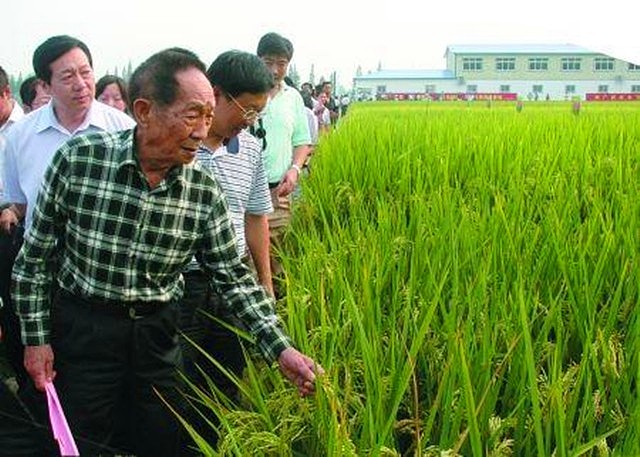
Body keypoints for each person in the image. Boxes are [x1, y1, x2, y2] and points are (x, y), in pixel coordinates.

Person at [13, 47, 322, 457]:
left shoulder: (202, 192)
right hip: (85, 331)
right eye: (192, 114)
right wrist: (36, 341)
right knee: (84, 437)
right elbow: (34, 261)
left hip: (156, 336)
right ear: (143, 110)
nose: (202, 130)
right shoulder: (78, 162)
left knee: (159, 437)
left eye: (209, 116)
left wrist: (281, 348)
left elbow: (233, 277)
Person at [256, 32, 312, 283]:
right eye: (268, 62)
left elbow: (302, 141)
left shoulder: (293, 98)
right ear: (257, 60)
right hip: (242, 194)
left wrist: (295, 170)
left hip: (277, 193)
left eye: (282, 63)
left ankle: (279, 312)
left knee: (278, 259)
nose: (275, 70)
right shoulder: (244, 92)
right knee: (245, 260)